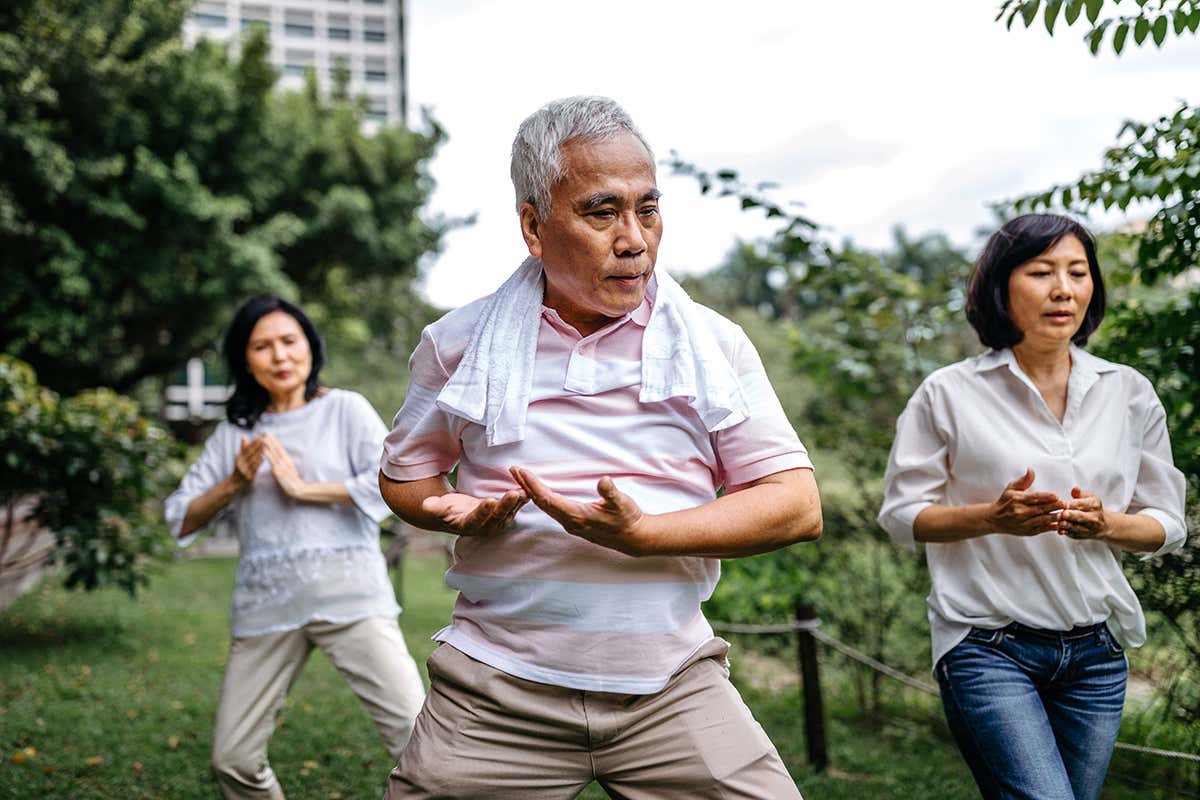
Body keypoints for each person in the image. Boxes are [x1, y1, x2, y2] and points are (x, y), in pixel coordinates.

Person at [378, 96, 822, 799]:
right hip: (496, 687)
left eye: (648, 209)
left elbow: (796, 505)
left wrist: (645, 535)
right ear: (534, 226)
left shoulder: (714, 345)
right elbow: (407, 477)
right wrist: (448, 510)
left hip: (672, 684)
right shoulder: (457, 344)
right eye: (601, 212)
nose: (634, 240)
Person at [878, 214, 1188, 800]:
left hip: (1096, 656)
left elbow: (1167, 524)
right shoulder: (948, 393)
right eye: (1042, 272)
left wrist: (1107, 525)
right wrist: (990, 518)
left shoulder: (1129, 392)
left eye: (1078, 272)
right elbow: (900, 516)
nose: (1063, 289)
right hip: (987, 647)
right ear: (1001, 286)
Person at [164, 295, 425, 800]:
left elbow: (391, 486)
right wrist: (233, 483)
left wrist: (305, 490)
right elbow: (179, 517)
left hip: (351, 599)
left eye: (289, 341)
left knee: (419, 742)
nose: (280, 356)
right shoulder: (235, 434)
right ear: (245, 361)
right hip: (268, 607)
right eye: (262, 346)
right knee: (233, 759)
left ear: (310, 346)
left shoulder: (345, 409)